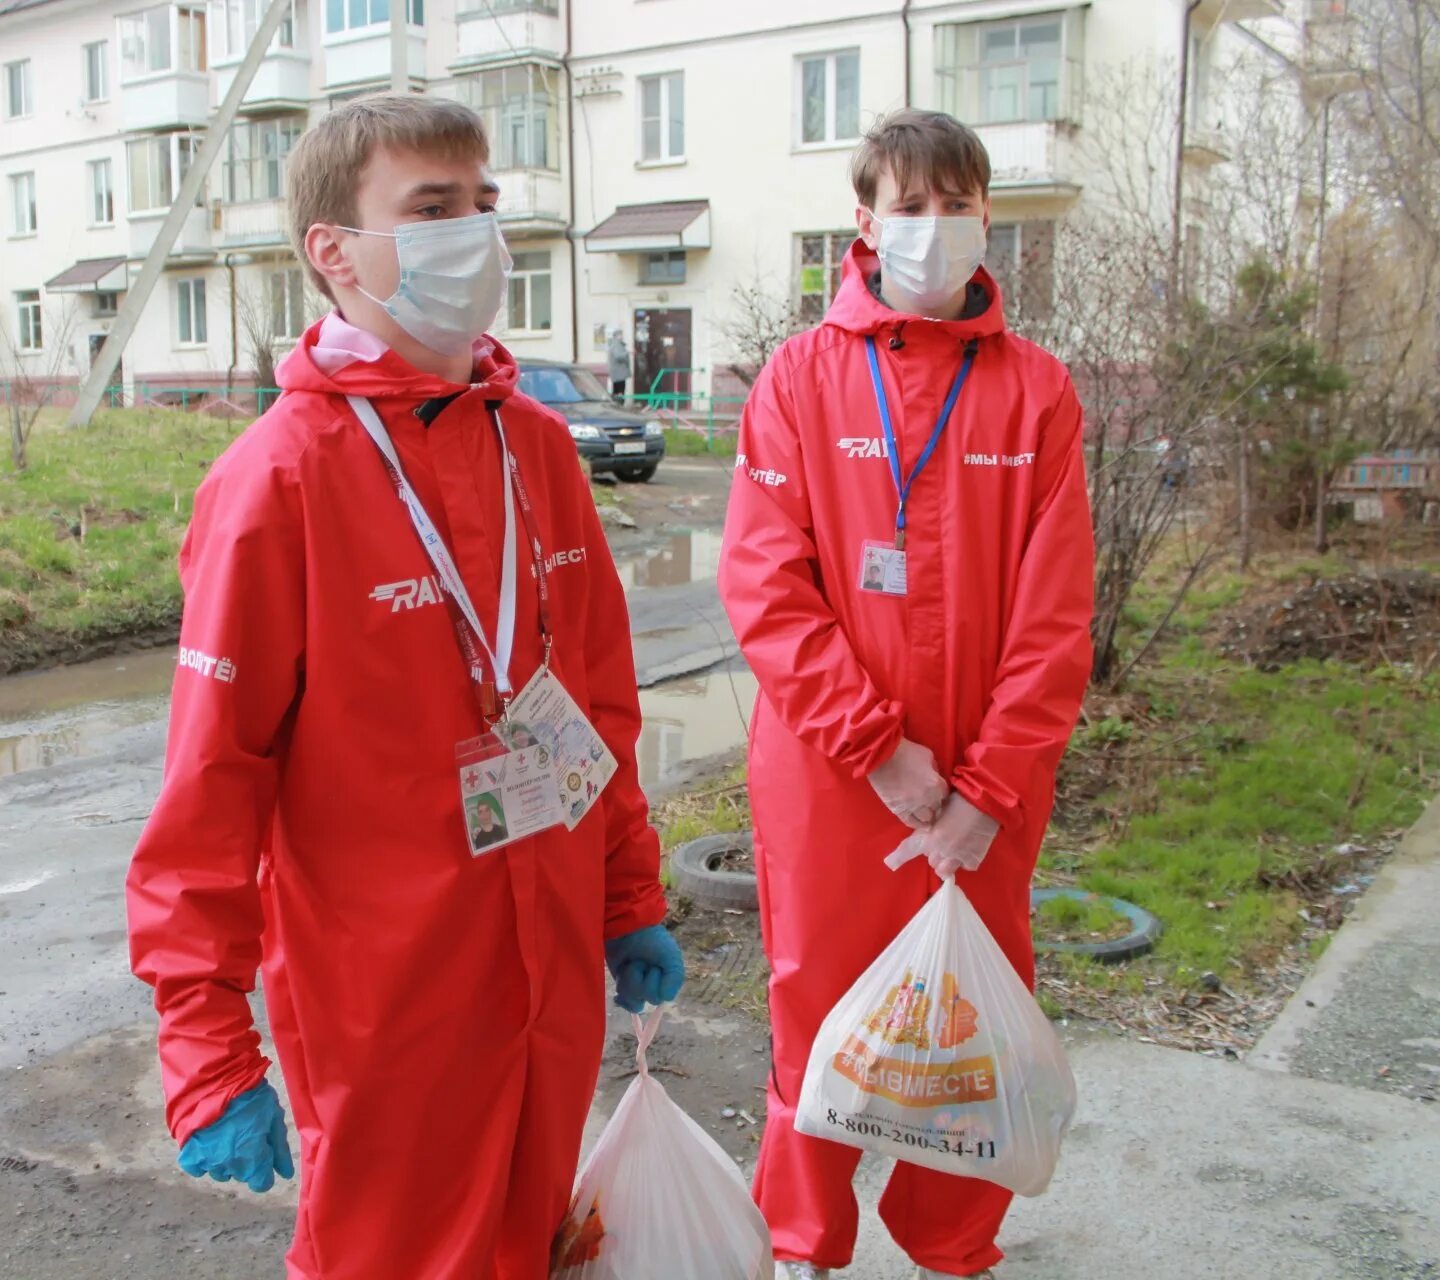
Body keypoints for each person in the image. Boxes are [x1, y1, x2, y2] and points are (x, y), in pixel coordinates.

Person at [125, 94, 685, 1280]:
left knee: (533, 1246)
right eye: (431, 210)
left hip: (547, 982)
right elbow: (208, 793)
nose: (476, 236)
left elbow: (597, 707)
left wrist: (626, 893)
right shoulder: (275, 483)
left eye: (482, 206)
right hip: (387, 1006)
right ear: (335, 250)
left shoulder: (536, 450)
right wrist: (210, 1049)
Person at [718, 109, 1095, 1280]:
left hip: (986, 787)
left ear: (987, 216)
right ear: (866, 220)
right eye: (911, 204)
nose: (936, 227)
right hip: (832, 780)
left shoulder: (1036, 394)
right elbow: (766, 588)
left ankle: (952, 1242)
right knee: (816, 1009)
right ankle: (804, 1243)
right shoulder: (798, 379)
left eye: (959, 202)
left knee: (971, 1021)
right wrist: (878, 748)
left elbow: (1055, 618)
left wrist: (985, 787)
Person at [606, 326, 631, 402]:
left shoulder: (615, 344)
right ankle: (619, 405)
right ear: (617, 336)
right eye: (620, 335)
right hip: (618, 373)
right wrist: (627, 352)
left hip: (618, 373)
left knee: (617, 390)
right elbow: (618, 356)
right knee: (619, 391)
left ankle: (618, 403)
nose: (622, 336)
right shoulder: (616, 344)